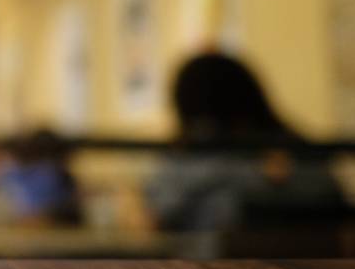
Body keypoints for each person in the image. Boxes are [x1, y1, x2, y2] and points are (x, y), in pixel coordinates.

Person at [146, 53, 343, 241]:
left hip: (238, 266)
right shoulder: (280, 150)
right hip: (284, 266)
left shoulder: (281, 148)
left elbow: (160, 210)